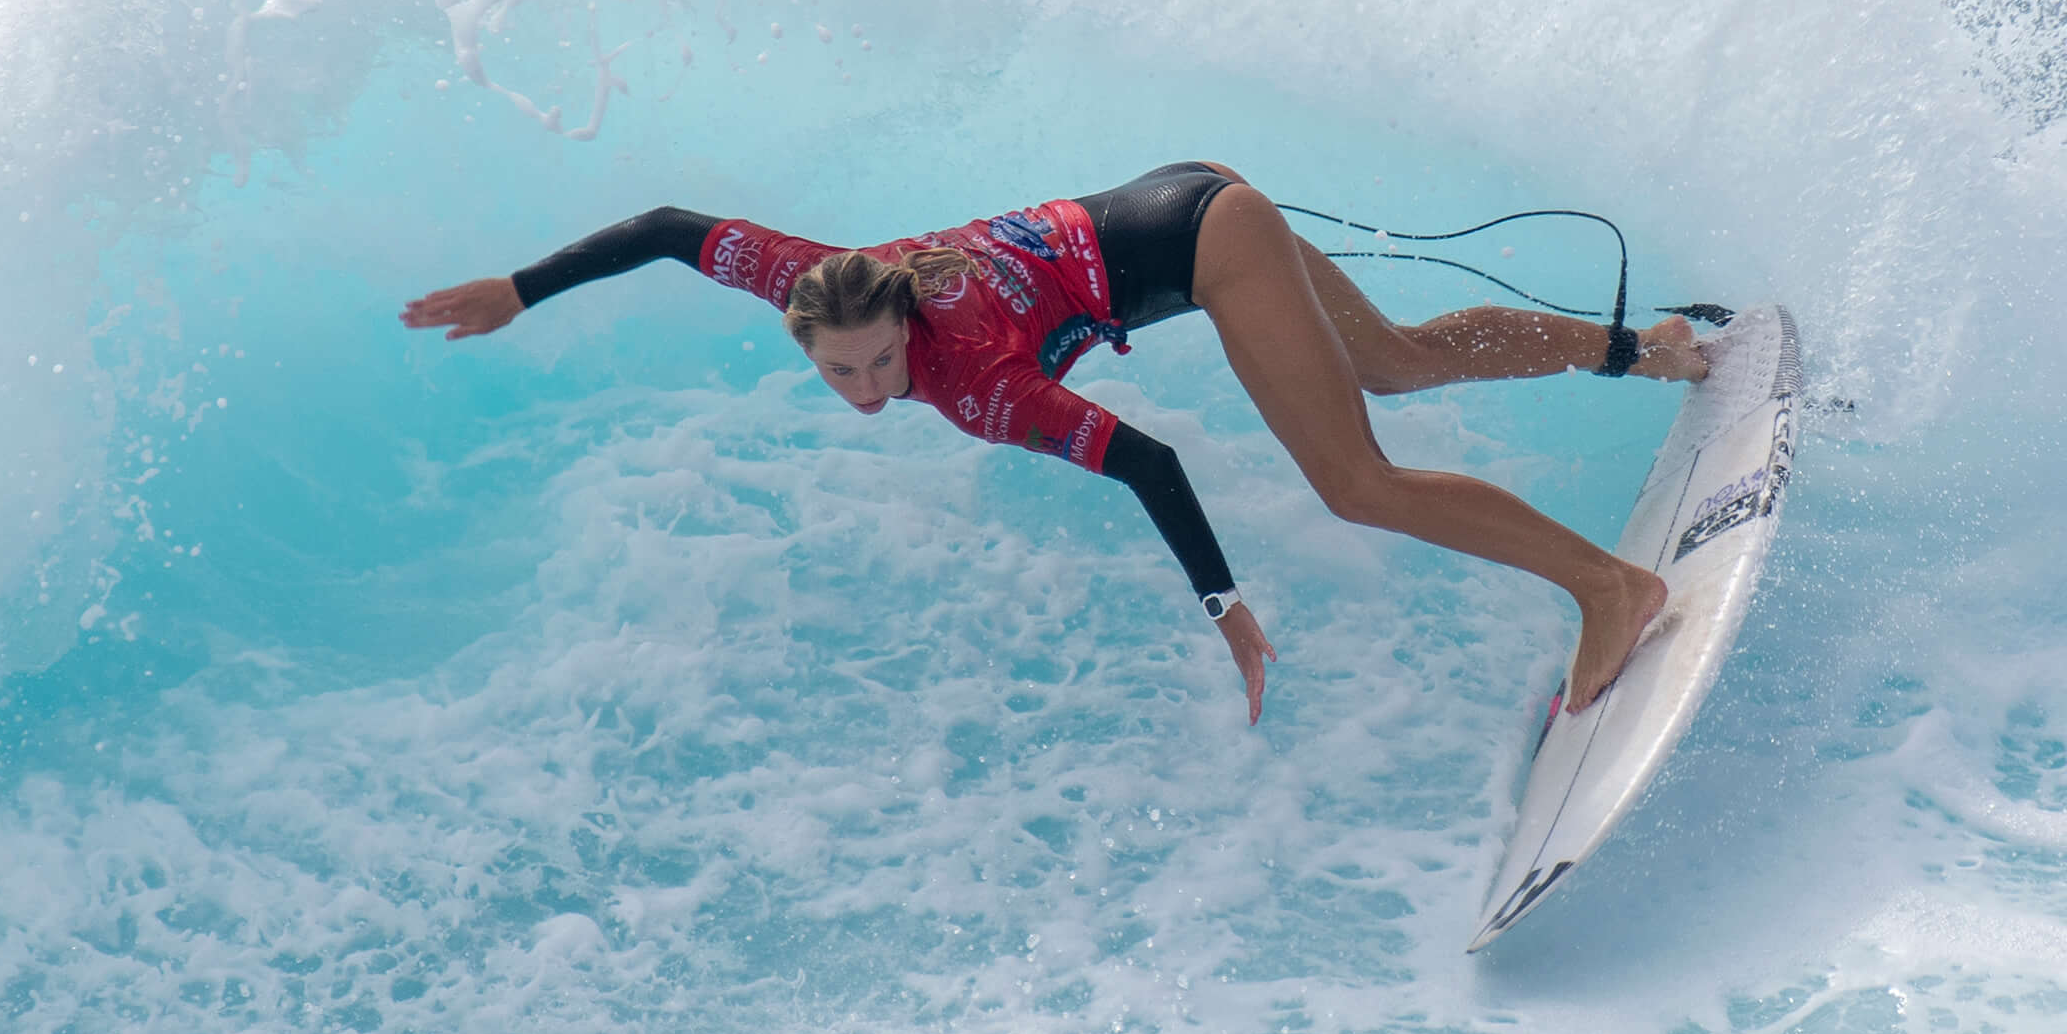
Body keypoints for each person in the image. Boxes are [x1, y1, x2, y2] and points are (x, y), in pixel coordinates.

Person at [400, 162, 1708, 723]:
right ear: (804, 331)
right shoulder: (823, 278)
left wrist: (1226, 607)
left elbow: (1150, 463)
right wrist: (519, 291)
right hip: (1185, 196)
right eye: (842, 373)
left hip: (1203, 241)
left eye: (879, 363)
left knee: (1357, 484)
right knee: (1397, 358)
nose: (868, 386)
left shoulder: (970, 375)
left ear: (908, 326)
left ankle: (1609, 589)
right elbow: (672, 227)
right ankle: (1647, 348)